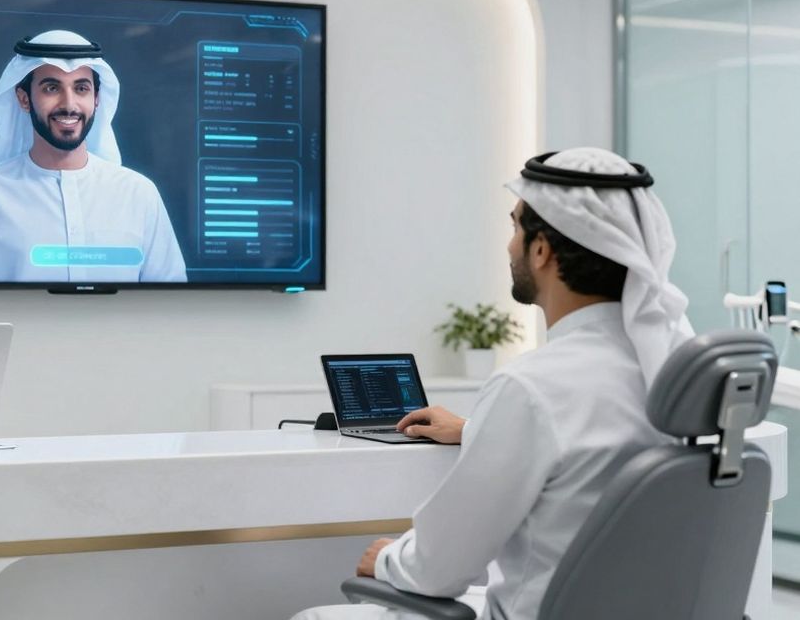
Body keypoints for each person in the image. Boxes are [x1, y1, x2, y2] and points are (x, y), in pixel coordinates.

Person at [292, 148, 694, 620]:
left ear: (541, 250)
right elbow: (595, 439)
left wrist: (383, 558)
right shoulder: (675, 375)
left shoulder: (531, 388)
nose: (509, 247)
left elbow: (437, 569)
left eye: (515, 228)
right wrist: (480, 428)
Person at [0, 30, 187, 283]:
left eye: (81, 88)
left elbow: (172, 304)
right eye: (52, 88)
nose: (69, 104)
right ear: (24, 99)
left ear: (97, 99)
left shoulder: (139, 194)